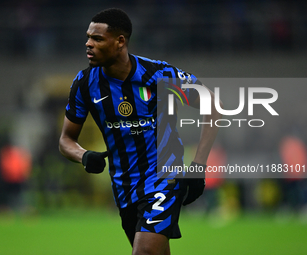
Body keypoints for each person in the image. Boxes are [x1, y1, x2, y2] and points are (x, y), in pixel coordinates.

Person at [59, 8, 222, 255]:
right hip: (124, 187)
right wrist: (83, 155)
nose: (88, 44)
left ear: (120, 41)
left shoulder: (159, 75)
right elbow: (65, 140)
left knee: (143, 252)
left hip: (163, 178)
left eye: (98, 38)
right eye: (88, 37)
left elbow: (212, 105)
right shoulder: (84, 83)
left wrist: (199, 166)